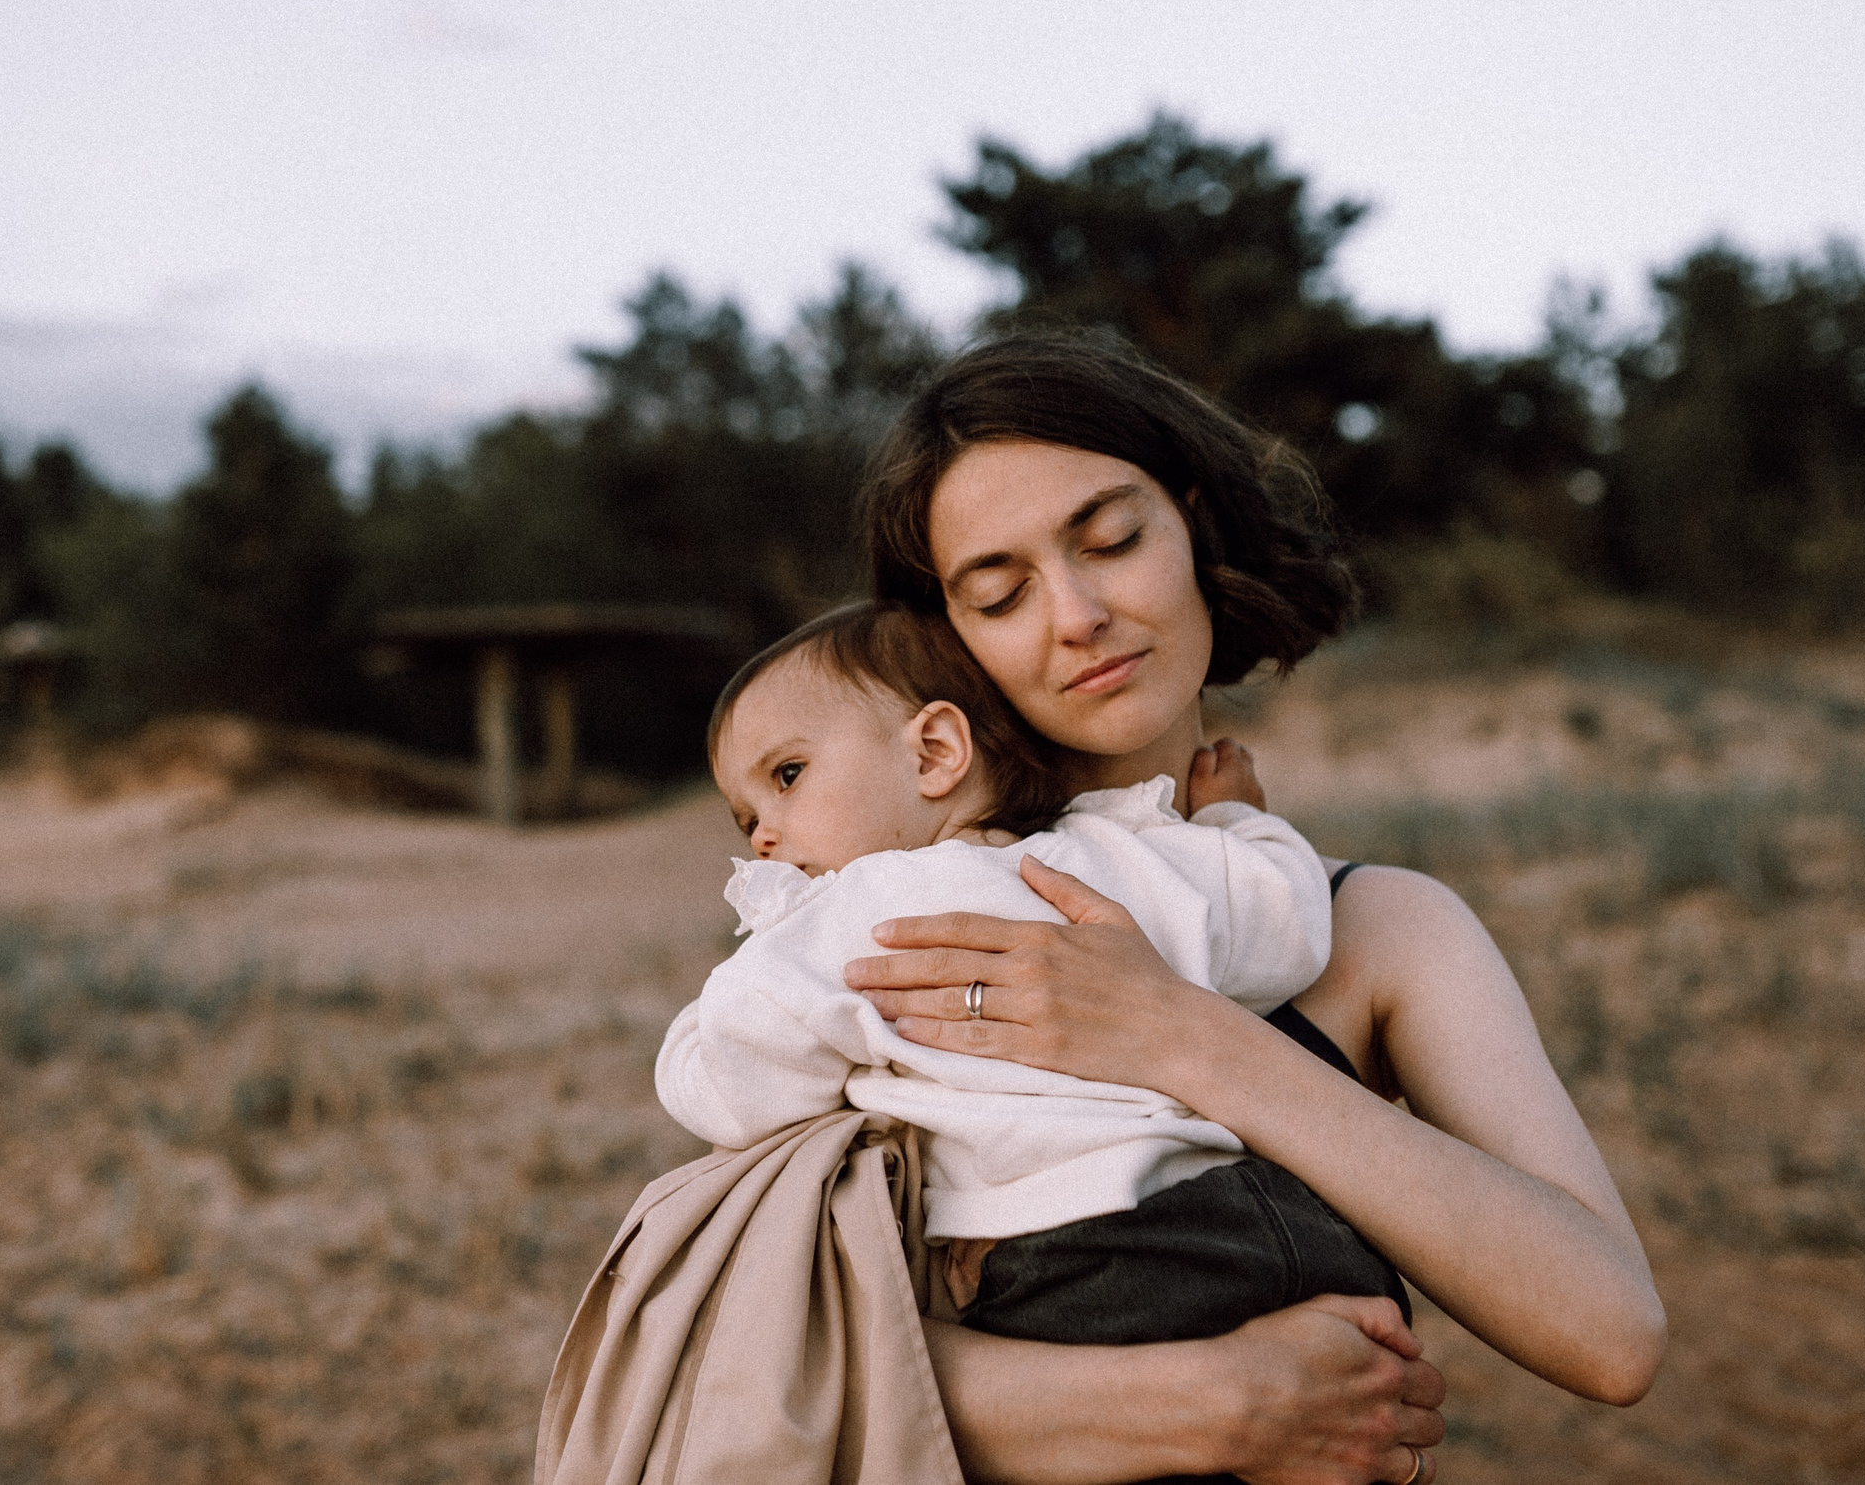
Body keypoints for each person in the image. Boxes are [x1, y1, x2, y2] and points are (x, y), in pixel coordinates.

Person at [839, 332, 1664, 1485]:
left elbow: (1610, 1332)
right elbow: (759, 1352)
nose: (1075, 614)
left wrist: (1182, 1034)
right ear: (942, 639)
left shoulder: (1380, 933)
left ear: (1191, 529)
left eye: (1111, 539)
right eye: (1000, 591)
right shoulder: (894, 922)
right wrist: (1206, 1403)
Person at [662, 600, 1405, 1344]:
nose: (763, 834)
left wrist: (707, 1009)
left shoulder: (847, 916)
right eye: (744, 816)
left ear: (935, 753)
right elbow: (1287, 922)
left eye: (786, 775)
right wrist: (1235, 822)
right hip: (1269, 1215)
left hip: (1074, 1252)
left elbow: (729, 1085)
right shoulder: (1109, 850)